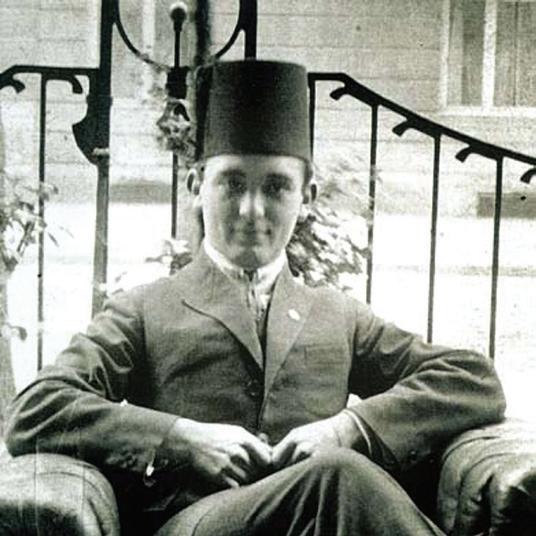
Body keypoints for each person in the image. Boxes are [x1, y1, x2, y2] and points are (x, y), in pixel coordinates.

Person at [4, 60, 505, 535]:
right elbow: (38, 408)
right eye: (232, 183)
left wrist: (349, 428)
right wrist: (180, 437)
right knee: (339, 476)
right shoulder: (144, 309)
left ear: (306, 198)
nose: (251, 209)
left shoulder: (337, 315)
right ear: (197, 185)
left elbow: (472, 379)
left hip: (322, 521)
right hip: (194, 524)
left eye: (276, 188)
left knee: (337, 471)